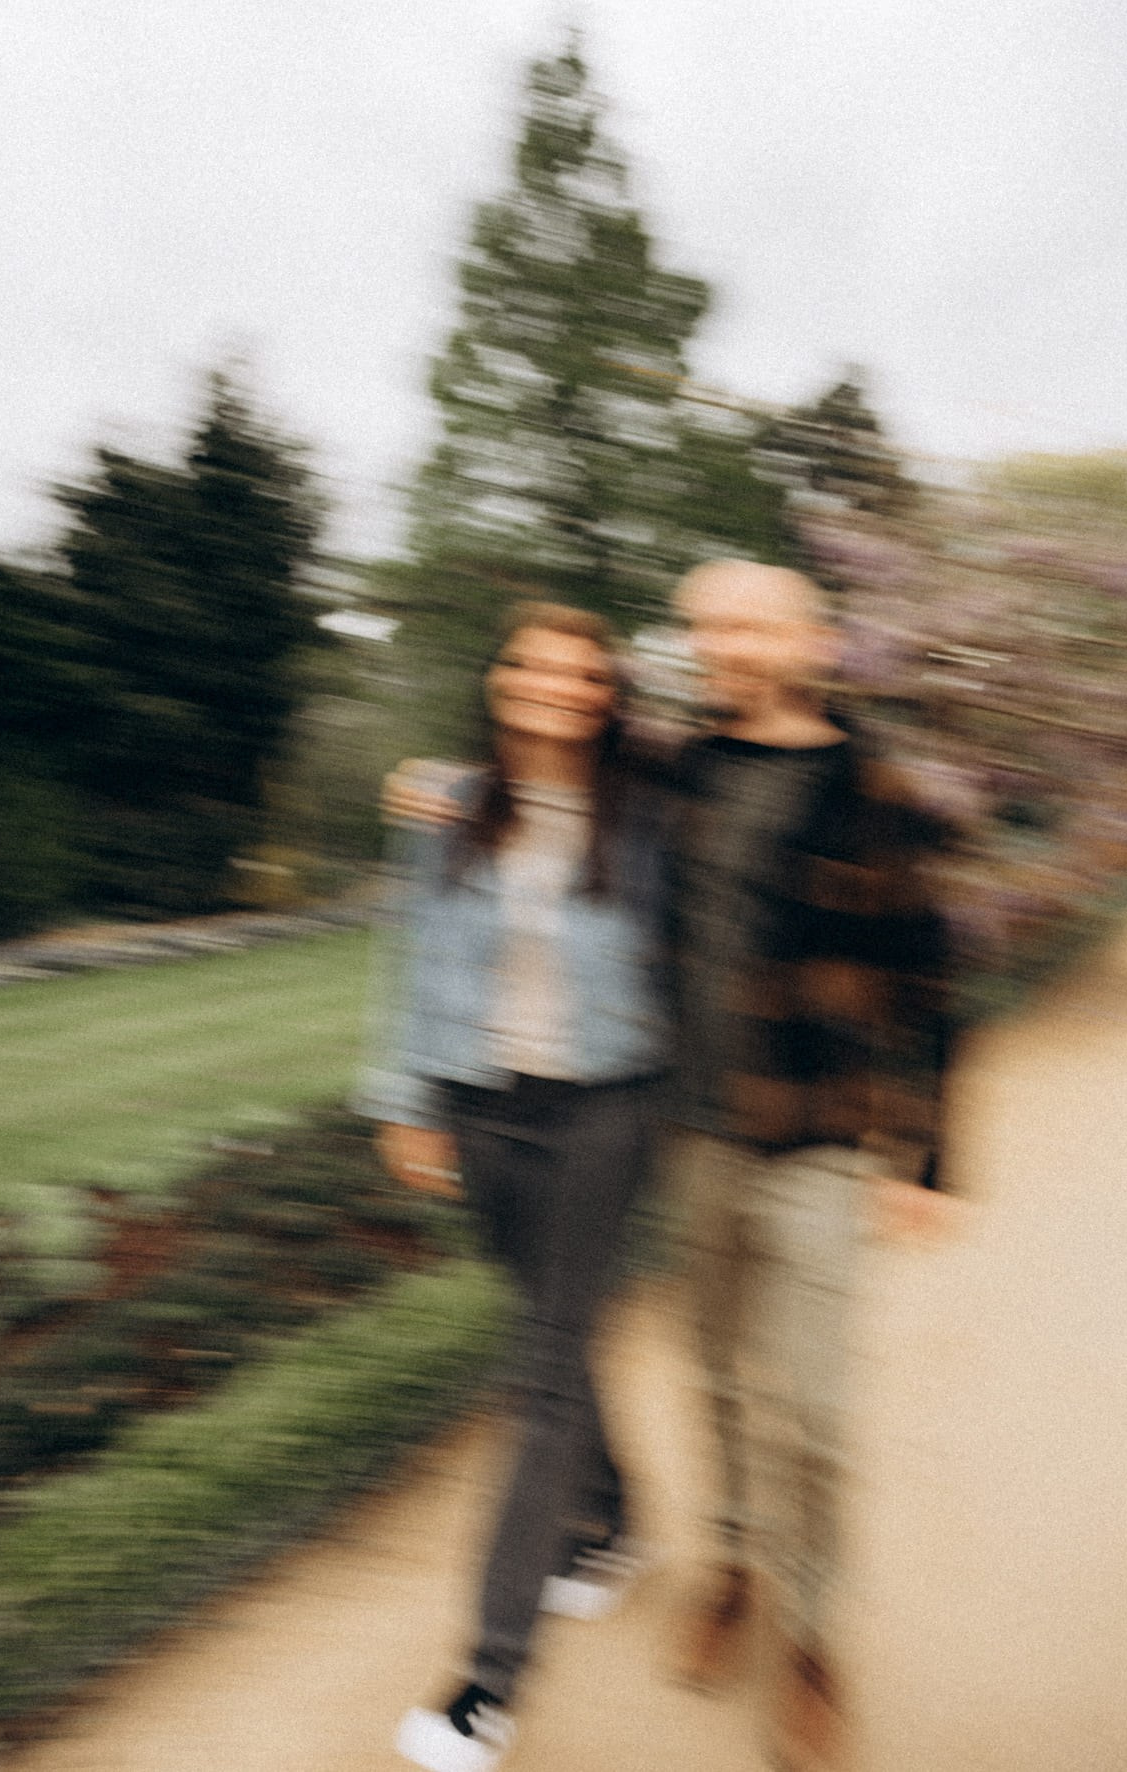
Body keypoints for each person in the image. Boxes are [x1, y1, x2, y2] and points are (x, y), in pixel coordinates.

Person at [365, 602, 671, 1772]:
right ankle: (615, 1522)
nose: (553, 684)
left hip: (604, 1105)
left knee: (536, 1373)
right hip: (482, 1105)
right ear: (498, 679)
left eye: (580, 671)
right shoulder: (444, 805)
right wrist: (404, 1096)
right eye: (531, 665)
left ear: (607, 693)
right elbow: (409, 950)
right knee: (552, 1327)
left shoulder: (644, 810)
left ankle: (486, 1681)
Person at [666, 560, 958, 1769]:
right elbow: (545, 776)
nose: (725, 645)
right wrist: (438, 783)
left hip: (822, 1137)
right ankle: (732, 1560)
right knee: (718, 1374)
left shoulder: (875, 789)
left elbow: (931, 977)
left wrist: (923, 1159)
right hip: (696, 1130)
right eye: (706, 627)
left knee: (816, 1408)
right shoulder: (673, 768)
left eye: (749, 624)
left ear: (813, 642)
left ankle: (811, 1636)